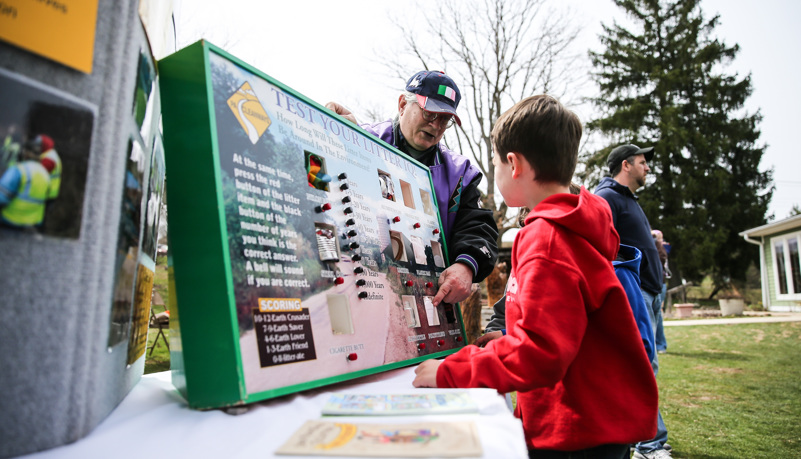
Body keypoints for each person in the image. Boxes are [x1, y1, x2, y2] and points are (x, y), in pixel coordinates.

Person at [413, 95, 658, 458]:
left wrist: (448, 372)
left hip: (577, 432)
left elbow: (540, 355)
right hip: (594, 423)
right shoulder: (572, 226)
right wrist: (506, 337)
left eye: (495, 163)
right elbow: (560, 326)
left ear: (513, 164)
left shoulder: (547, 239)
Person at [326, 71, 498, 305]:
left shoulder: (461, 174)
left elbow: (478, 228)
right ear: (402, 105)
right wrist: (338, 135)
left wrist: (466, 265)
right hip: (358, 282)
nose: (436, 126)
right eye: (429, 113)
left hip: (427, 299)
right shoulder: (361, 139)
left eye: (444, 119)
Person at [595, 144, 671, 458]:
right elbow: (600, 244)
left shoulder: (628, 199)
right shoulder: (607, 197)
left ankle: (645, 439)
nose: (647, 167)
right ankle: (648, 444)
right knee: (640, 368)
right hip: (635, 292)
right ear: (626, 165)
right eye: (642, 162)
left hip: (651, 292)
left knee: (648, 366)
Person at [0, 138, 51, 228]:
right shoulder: (45, 173)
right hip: (33, 223)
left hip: (10, 219)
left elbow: (2, 198)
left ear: (24, 153)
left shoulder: (18, 170)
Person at [652, 229, 670, 353]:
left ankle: (660, 344)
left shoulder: (661, 247)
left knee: (657, 314)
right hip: (655, 283)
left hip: (659, 283)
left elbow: (662, 258)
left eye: (658, 237)